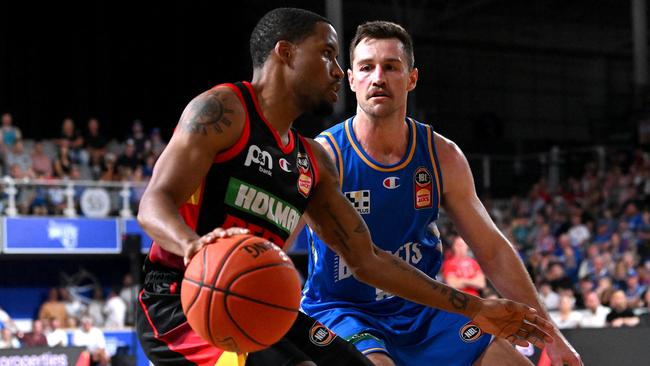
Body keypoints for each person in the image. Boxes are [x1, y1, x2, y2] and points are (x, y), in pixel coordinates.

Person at [136, 8, 553, 366]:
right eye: (327, 55)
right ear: (285, 52)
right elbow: (154, 201)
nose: (338, 71)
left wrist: (477, 306)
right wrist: (194, 246)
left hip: (261, 301)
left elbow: (369, 260)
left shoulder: (312, 161)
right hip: (184, 301)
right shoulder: (225, 110)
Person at [298, 21, 581, 366]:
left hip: (423, 307)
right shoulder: (324, 155)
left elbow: (491, 250)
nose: (378, 77)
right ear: (351, 79)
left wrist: (553, 338)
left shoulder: (441, 155)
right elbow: (278, 236)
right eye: (367, 67)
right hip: (343, 309)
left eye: (391, 66)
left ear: (412, 78)